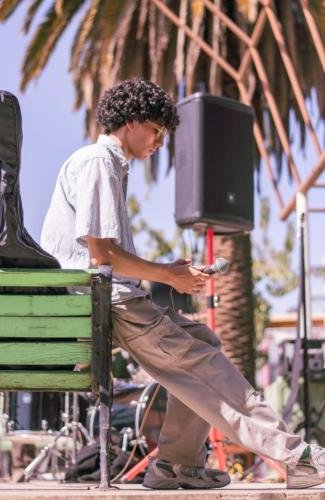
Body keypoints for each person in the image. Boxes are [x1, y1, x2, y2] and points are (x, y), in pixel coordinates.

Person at [41, 77, 325, 490]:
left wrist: (167, 270)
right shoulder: (98, 163)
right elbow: (102, 256)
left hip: (112, 299)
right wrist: (169, 275)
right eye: (156, 131)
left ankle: (176, 465)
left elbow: (108, 256)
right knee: (205, 365)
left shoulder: (108, 166)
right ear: (132, 121)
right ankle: (296, 457)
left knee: (205, 343)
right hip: (107, 302)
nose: (159, 143)